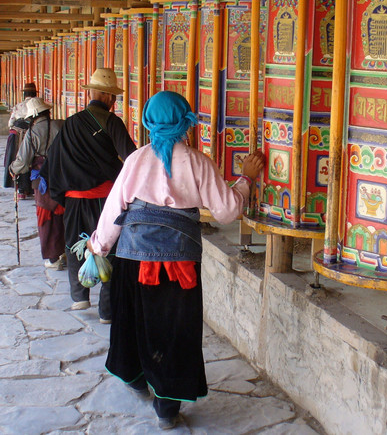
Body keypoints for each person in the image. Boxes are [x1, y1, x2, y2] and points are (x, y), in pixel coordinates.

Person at [87, 91, 265, 429]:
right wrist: (245, 179)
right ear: (186, 122)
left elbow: (114, 212)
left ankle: (137, 379)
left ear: (148, 122)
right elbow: (227, 211)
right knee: (175, 330)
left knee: (133, 322)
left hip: (133, 259)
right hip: (180, 265)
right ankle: (166, 407)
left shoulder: (136, 160)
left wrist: (98, 247)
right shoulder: (198, 162)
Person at [42, 68, 137, 322]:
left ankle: (79, 297)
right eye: (113, 97)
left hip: (74, 201)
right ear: (107, 97)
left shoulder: (71, 124)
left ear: (92, 93)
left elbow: (53, 160)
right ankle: (106, 310)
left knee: (75, 243)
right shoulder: (111, 122)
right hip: (106, 201)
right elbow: (131, 158)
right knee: (110, 247)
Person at [9, 97, 66, 270]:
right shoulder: (61, 126)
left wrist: (13, 169)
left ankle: (53, 257)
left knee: (46, 217)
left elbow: (23, 160)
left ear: (32, 116)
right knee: (62, 215)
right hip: (63, 177)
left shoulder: (32, 133)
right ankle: (64, 251)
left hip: (42, 181)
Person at [4, 82, 37, 196]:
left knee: (19, 159)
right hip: (32, 135)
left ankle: (20, 189)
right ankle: (30, 188)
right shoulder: (37, 106)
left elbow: (11, 123)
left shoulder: (18, 106)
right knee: (32, 160)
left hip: (17, 136)